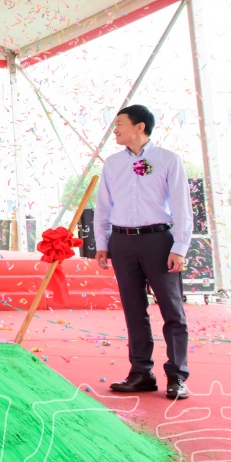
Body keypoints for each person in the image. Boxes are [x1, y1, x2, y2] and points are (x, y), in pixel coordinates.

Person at [95, 104, 193, 400]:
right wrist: (102, 243)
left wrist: (180, 248)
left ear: (140, 127)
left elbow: (182, 207)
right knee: (134, 309)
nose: (115, 130)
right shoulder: (112, 164)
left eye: (119, 124)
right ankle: (141, 373)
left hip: (158, 241)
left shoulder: (168, 160)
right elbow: (103, 206)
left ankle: (177, 375)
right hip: (122, 242)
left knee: (172, 310)